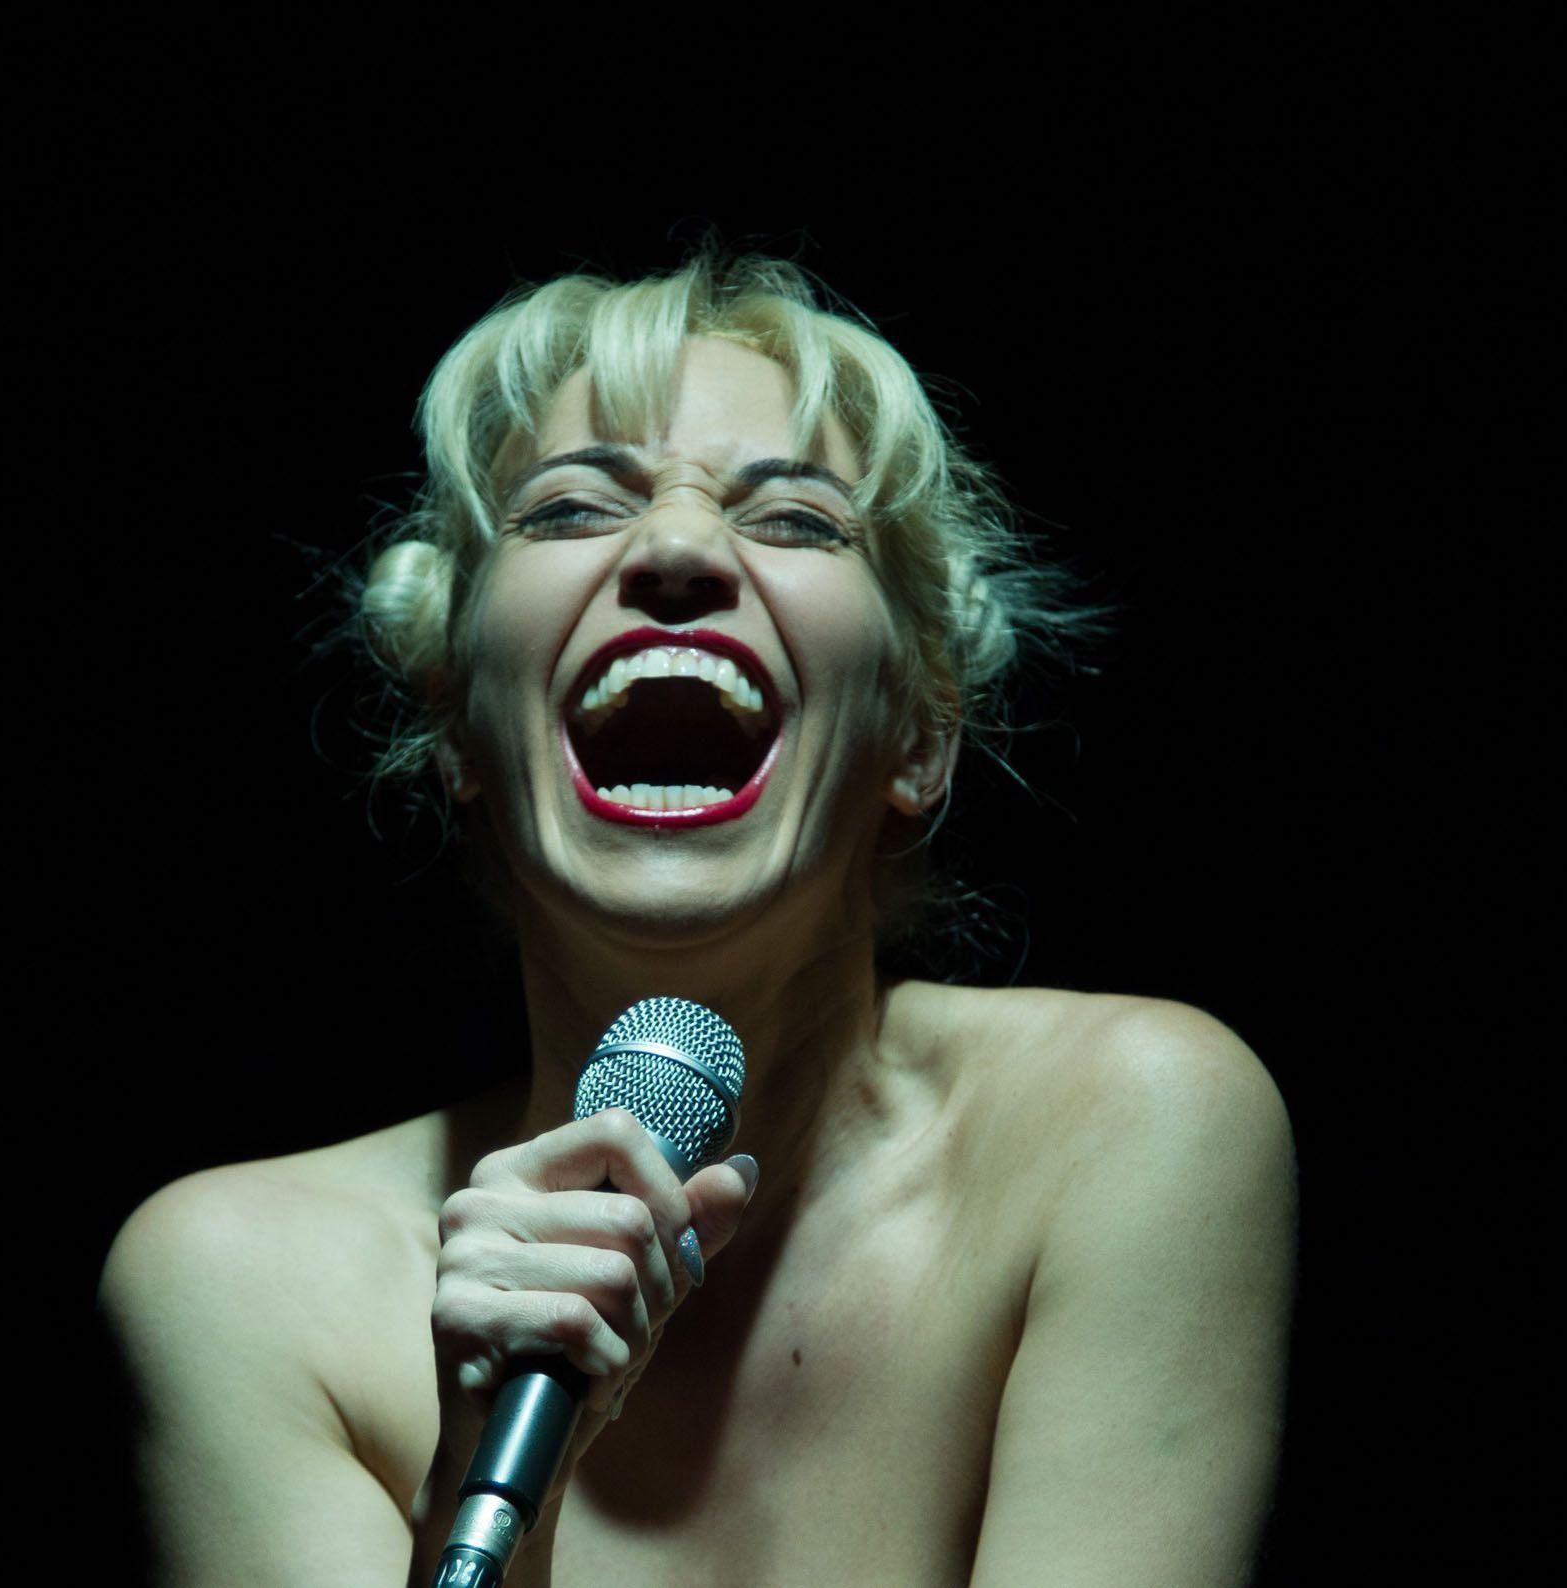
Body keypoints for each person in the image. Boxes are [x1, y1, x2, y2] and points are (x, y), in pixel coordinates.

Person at [96, 243, 1299, 1586]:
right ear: (456, 727)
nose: (674, 549)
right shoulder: (241, 1283)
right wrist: (480, 1493)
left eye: (798, 521)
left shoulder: (1124, 1130)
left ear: (921, 737)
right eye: (567, 510)